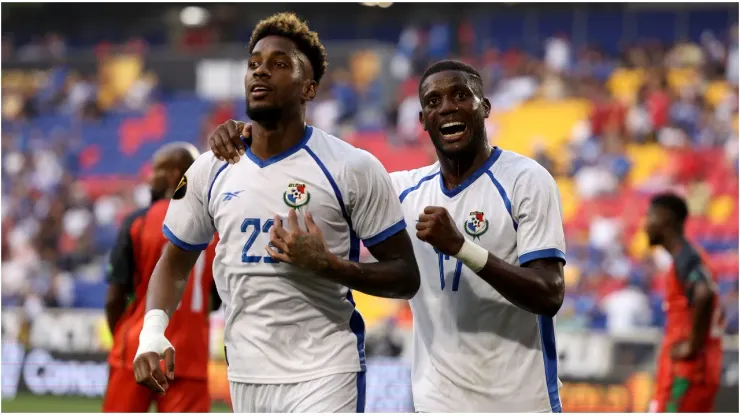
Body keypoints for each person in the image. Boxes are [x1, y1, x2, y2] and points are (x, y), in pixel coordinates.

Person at [209, 60, 567, 412]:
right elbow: (317, 175)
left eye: (460, 95)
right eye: (432, 102)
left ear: (484, 107)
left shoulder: (526, 180)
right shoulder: (400, 191)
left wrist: (461, 248)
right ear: (422, 121)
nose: (447, 108)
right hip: (436, 404)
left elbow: (549, 294)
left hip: (522, 403)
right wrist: (258, 137)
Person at [132, 12, 420, 414]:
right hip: (246, 374)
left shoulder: (351, 167)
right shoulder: (211, 168)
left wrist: (330, 265)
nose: (260, 72)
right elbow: (175, 262)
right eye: (254, 64)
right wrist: (152, 334)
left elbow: (406, 275)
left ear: (310, 87)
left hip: (326, 370)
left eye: (279, 64)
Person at [103, 142, 219, 412]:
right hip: (190, 356)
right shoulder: (216, 229)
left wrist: (122, 340)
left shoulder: (139, 222)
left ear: (173, 174)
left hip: (136, 349)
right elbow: (216, 299)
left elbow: (113, 298)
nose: (149, 178)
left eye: (156, 171)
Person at [644, 193, 723, 412]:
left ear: (665, 218)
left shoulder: (686, 257)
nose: (645, 225)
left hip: (686, 373)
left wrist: (692, 345)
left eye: (649, 216)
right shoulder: (693, 257)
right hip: (700, 370)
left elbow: (704, 293)